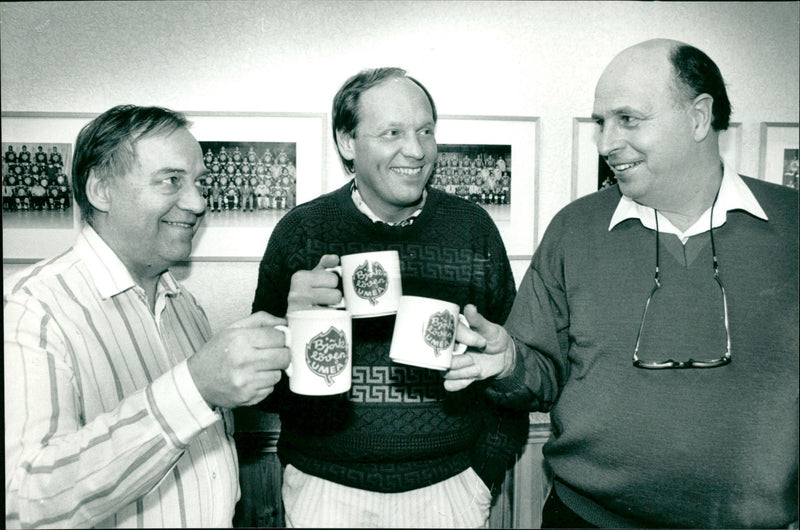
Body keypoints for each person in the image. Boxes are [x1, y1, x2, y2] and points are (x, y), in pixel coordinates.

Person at [444, 39, 799, 528]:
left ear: (698, 118)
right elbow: (540, 374)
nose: (607, 142)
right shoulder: (574, 229)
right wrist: (509, 364)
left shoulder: (792, 228)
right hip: (583, 518)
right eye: (600, 123)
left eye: (628, 119)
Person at [249, 67, 528, 528]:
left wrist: (484, 473)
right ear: (346, 142)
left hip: (451, 490)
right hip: (326, 491)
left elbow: (514, 363)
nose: (416, 150)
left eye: (425, 132)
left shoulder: (472, 229)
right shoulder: (301, 233)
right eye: (392, 132)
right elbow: (263, 393)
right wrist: (290, 322)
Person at [4, 105, 290, 528]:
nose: (197, 203)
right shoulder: (34, 307)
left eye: (200, 183)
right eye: (172, 181)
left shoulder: (185, 307)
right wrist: (193, 388)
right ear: (101, 190)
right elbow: (23, 500)